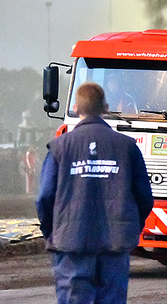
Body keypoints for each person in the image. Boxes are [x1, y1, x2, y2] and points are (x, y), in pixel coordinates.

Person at [36, 82, 153, 304]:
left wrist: (53, 233)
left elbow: (44, 197)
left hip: (71, 244)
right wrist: (129, 229)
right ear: (105, 108)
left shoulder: (60, 147)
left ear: (76, 107)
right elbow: (145, 197)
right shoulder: (127, 147)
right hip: (115, 245)